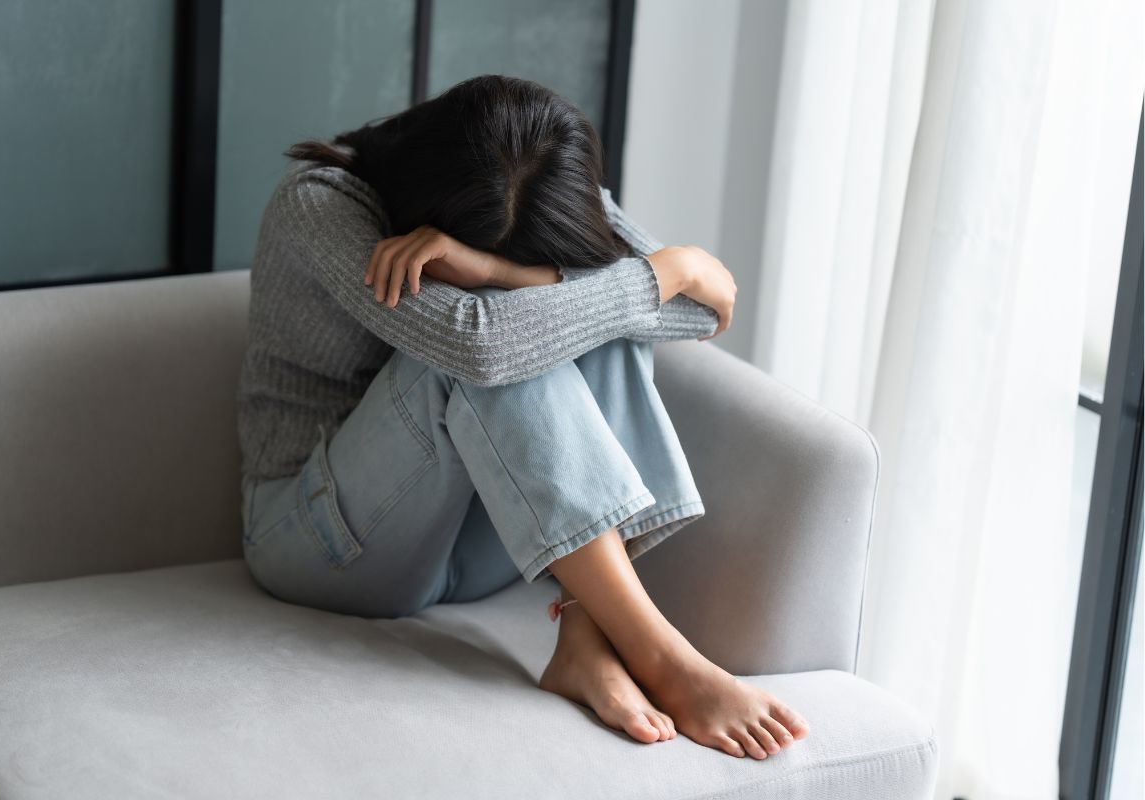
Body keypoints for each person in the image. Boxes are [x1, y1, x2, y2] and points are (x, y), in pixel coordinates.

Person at [236, 74, 810, 760]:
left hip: (491, 543)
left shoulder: (546, 184)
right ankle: (660, 655)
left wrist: (499, 273)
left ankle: (584, 638)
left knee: (595, 315)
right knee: (494, 340)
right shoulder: (320, 204)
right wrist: (670, 268)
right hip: (320, 540)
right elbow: (480, 345)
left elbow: (699, 312)